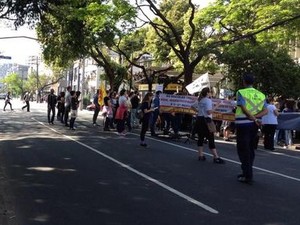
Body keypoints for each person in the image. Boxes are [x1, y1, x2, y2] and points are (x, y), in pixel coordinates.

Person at [235, 74, 268, 184]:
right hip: (254, 124)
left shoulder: (241, 92)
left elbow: (243, 108)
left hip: (243, 124)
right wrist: (256, 117)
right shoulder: (261, 95)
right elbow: (266, 111)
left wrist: (251, 116)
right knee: (250, 149)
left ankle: (247, 175)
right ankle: (246, 172)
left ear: (244, 81)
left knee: (243, 149)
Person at [191, 87, 225, 164]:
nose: (211, 93)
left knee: (201, 138)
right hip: (207, 120)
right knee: (211, 138)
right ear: (207, 93)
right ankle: (216, 157)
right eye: (210, 92)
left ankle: (201, 155)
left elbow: (192, 106)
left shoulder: (200, 100)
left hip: (199, 119)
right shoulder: (208, 100)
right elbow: (209, 112)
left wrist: (198, 111)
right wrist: (217, 105)